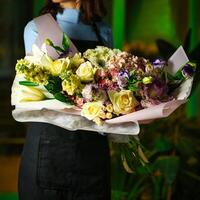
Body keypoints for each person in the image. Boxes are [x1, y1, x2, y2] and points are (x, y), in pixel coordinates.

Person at [18, 0, 113, 199]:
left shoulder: (104, 31)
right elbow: (36, 93)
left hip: (92, 149)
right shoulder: (37, 28)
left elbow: (110, 89)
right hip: (48, 147)